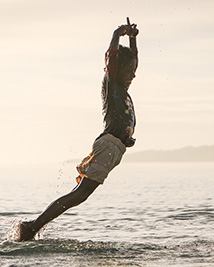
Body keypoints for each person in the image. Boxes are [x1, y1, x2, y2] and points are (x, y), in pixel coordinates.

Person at [17, 19, 140, 241]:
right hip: (109, 145)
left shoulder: (122, 87)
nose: (134, 75)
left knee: (79, 195)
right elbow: (112, 58)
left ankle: (33, 226)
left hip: (115, 149)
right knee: (79, 195)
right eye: (129, 71)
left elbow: (134, 62)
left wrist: (132, 39)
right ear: (116, 69)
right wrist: (116, 34)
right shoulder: (112, 84)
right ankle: (32, 227)